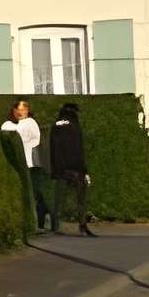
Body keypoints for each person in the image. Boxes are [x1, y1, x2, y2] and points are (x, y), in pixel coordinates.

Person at [0, 97, 51, 233]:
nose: (21, 112)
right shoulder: (14, 124)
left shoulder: (29, 123)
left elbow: (21, 135)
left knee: (35, 192)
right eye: (18, 109)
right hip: (27, 163)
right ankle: (43, 218)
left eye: (24, 109)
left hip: (32, 163)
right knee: (34, 192)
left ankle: (41, 221)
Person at [48, 102, 95, 238]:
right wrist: (83, 169)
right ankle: (82, 226)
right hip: (75, 167)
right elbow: (78, 149)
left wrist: (55, 169)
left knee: (59, 198)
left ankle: (55, 225)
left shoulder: (56, 124)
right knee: (81, 198)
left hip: (61, 168)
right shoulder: (74, 125)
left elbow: (54, 148)